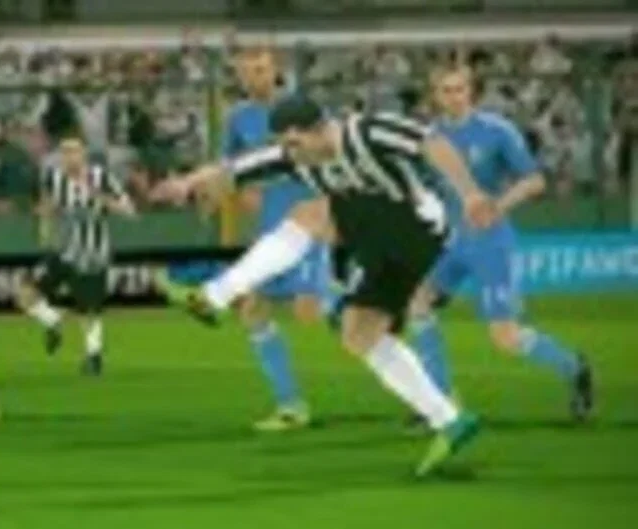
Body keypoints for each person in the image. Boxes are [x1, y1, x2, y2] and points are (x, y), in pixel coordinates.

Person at [154, 94, 487, 477]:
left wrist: (470, 193)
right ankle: (449, 420)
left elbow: (433, 143)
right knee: (358, 335)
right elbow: (234, 169)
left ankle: (213, 296)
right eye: (284, 144)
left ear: (318, 129)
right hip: (388, 244)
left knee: (310, 213)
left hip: (415, 221)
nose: (290, 152)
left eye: (294, 142)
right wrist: (186, 183)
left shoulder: (368, 131)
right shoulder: (293, 157)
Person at [408, 65, 593, 420]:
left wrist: (498, 205)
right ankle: (438, 399)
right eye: (446, 90)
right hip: (450, 241)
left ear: (471, 91)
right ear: (436, 96)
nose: (454, 97)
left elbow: (535, 180)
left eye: (459, 89)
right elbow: (423, 186)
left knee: (504, 337)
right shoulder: (430, 138)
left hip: (490, 241)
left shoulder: (496, 131)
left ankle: (574, 367)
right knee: (418, 303)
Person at [220, 47, 335, 432]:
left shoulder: (302, 109)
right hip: (270, 224)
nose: (255, 77)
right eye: (247, 71)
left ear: (275, 71)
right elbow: (228, 165)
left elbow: (334, 153)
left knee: (308, 311)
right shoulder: (237, 118)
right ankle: (291, 405)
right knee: (253, 310)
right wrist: (241, 192)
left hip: (308, 217)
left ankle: (358, 302)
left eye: (261, 69)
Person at [11, 130, 136, 376]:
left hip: (93, 254)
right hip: (64, 249)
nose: (69, 157)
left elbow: (128, 210)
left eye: (74, 151)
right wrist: (45, 229)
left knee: (89, 309)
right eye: (65, 152)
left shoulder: (101, 177)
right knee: (25, 292)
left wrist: (100, 198)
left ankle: (93, 356)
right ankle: (52, 320)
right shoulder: (53, 178)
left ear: (84, 154)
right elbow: (46, 207)